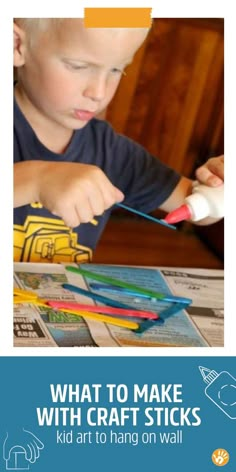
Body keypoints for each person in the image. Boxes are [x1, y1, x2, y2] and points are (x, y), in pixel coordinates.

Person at [14, 18, 224, 263]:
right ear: (16, 45)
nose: (99, 92)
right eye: (78, 66)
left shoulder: (113, 152)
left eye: (116, 69)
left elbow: (197, 210)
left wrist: (217, 189)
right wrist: (37, 179)